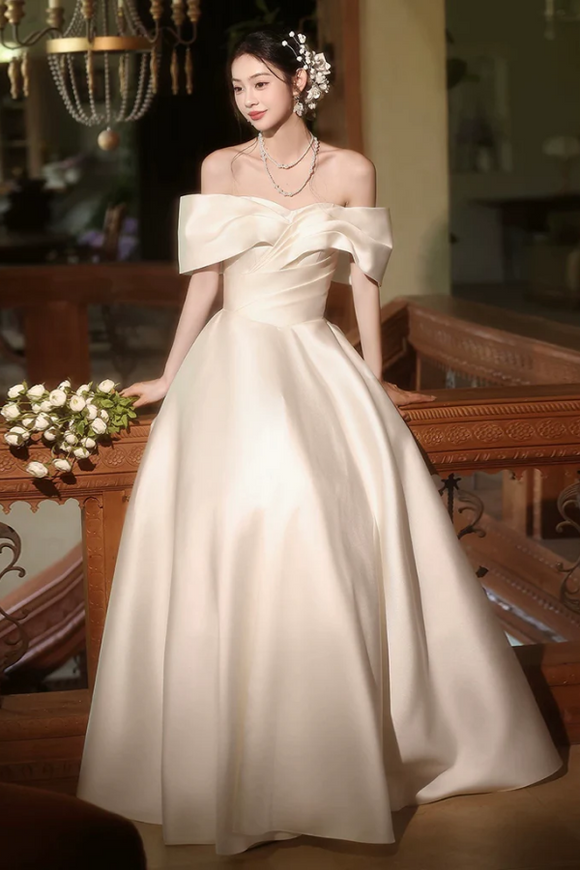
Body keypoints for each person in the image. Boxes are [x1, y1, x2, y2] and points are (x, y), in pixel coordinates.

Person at [76, 27, 563, 856]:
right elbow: (207, 281)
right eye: (237, 88)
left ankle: (339, 754)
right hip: (231, 367)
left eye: (261, 82)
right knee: (235, 532)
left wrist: (377, 375)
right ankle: (222, 759)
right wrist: (167, 374)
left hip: (315, 360)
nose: (249, 99)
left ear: (300, 81)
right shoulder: (221, 168)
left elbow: (364, 280)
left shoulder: (349, 170)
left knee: (320, 528)